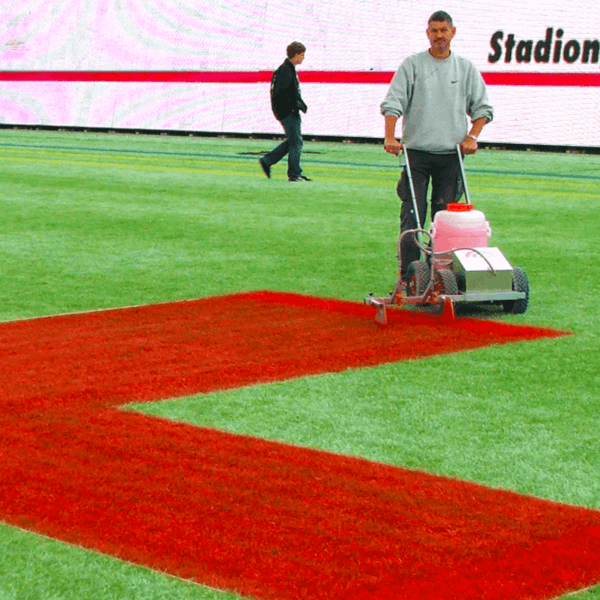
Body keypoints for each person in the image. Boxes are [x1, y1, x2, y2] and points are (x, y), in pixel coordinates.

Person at [380, 11, 493, 281]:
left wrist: (472, 137)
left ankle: (438, 274)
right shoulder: (412, 65)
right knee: (412, 215)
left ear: (453, 32)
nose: (439, 36)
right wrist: (390, 137)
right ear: (427, 33)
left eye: (443, 30)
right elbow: (393, 102)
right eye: (434, 31)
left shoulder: (465, 68)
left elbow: (483, 109)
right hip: (416, 154)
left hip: (451, 156)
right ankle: (408, 274)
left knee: (444, 219)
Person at [259, 42, 311, 182]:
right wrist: (296, 105)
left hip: (286, 110)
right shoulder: (285, 70)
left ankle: (268, 160)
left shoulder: (287, 69)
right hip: (287, 111)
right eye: (301, 55)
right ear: (295, 55)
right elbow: (282, 94)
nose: (303, 58)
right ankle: (294, 174)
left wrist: (299, 103)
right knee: (296, 142)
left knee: (294, 141)